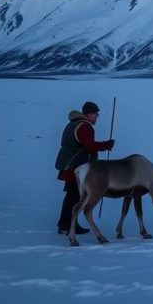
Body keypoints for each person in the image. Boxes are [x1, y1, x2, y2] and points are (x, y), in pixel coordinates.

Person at [54, 101, 115, 235]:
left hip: (70, 165)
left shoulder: (73, 124)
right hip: (76, 167)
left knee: (72, 195)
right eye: (95, 114)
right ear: (88, 114)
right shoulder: (84, 127)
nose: (96, 117)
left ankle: (66, 223)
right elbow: (90, 146)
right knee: (75, 196)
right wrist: (107, 145)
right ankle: (67, 225)